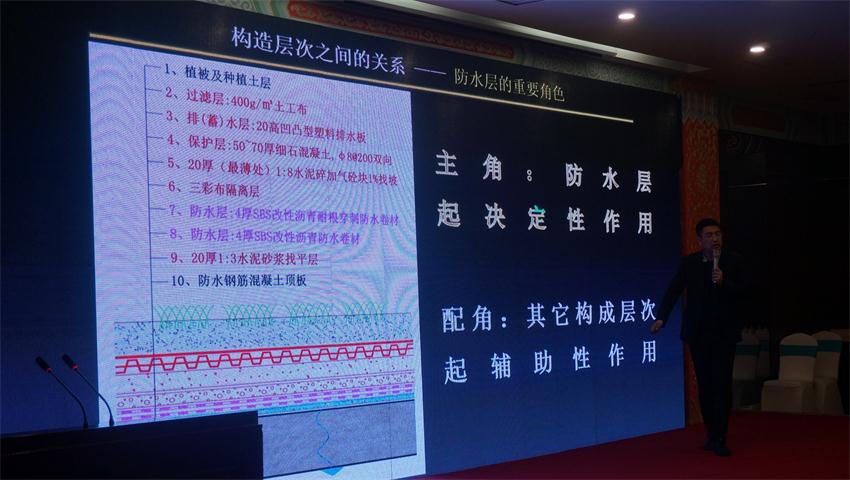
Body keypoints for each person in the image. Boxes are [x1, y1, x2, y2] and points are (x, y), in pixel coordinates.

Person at [650, 218, 746, 457]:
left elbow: (745, 292)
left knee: (722, 384)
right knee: (705, 385)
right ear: (700, 239)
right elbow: (674, 290)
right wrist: (662, 317)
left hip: (724, 334)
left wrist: (724, 282)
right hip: (698, 333)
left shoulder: (733, 260)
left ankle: (720, 437)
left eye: (718, 234)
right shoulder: (689, 263)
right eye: (709, 235)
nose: (715, 239)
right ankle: (711, 434)